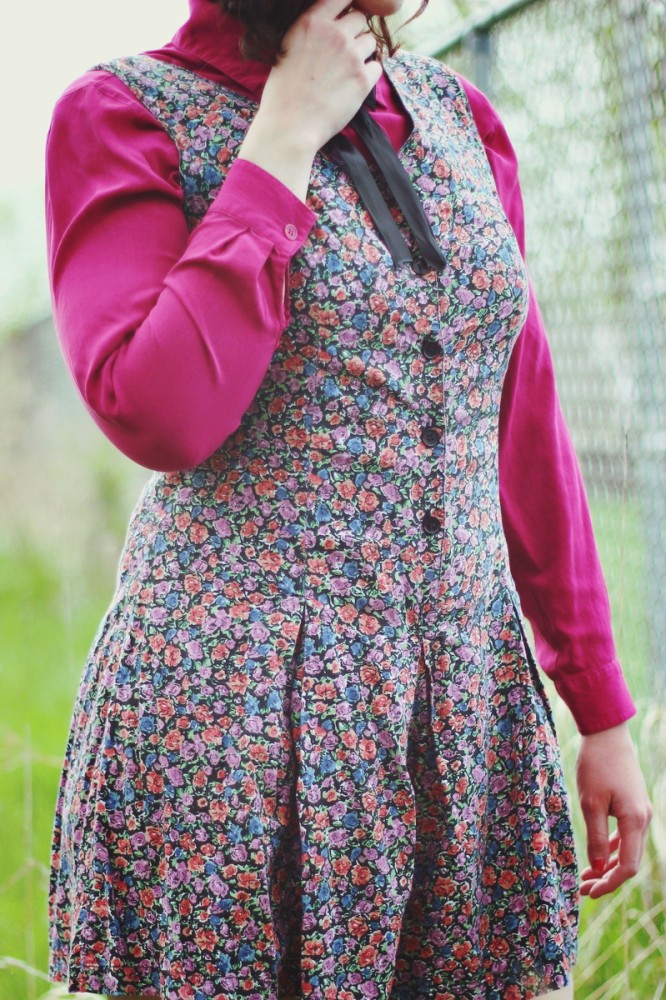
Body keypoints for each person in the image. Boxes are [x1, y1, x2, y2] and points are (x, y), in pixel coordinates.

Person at [44, 0, 653, 997]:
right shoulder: (122, 116)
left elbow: (518, 413)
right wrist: (283, 133)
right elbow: (161, 414)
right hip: (235, 722)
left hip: (462, 713)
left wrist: (601, 708)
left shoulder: (462, 118)